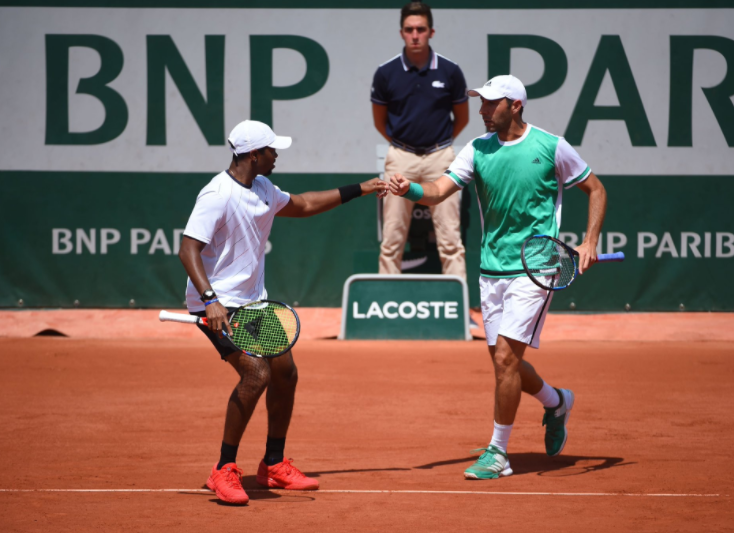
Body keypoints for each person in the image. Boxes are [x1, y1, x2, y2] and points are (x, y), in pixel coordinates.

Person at [389, 75, 607, 480]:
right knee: (504, 364)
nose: (483, 111)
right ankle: (557, 400)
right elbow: (439, 190)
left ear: (515, 106)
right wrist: (410, 189)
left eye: (491, 104)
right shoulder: (477, 149)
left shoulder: (551, 146)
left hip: (536, 268)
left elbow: (595, 189)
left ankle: (498, 454)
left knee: (506, 359)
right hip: (492, 270)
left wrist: (590, 240)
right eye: (482, 103)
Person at [179, 120, 387, 504]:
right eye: (273, 150)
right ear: (255, 155)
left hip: (253, 303)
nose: (278, 156)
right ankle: (223, 469)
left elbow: (305, 204)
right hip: (218, 304)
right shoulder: (217, 194)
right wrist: (210, 300)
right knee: (256, 373)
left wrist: (362, 188)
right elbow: (188, 248)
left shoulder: (262, 188)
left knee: (285, 373)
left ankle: (273, 465)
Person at [371, 1, 469, 278]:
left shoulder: (450, 71)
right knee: (391, 240)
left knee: (451, 240)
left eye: (421, 29)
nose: (415, 35)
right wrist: (404, 147)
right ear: (401, 32)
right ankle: (387, 307)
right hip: (400, 158)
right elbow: (380, 121)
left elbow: (462, 118)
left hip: (441, 158)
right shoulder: (386, 73)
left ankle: (457, 309)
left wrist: (439, 145)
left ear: (431, 32)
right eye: (409, 29)